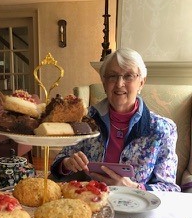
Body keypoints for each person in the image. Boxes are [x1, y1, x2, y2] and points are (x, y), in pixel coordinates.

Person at [50, 48, 180, 192]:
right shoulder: (86, 119)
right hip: (92, 202)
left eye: (129, 76)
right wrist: (67, 164)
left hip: (138, 208)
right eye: (112, 76)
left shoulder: (162, 129)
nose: (119, 84)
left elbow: (170, 189)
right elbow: (60, 161)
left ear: (141, 83)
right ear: (104, 82)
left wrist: (134, 187)